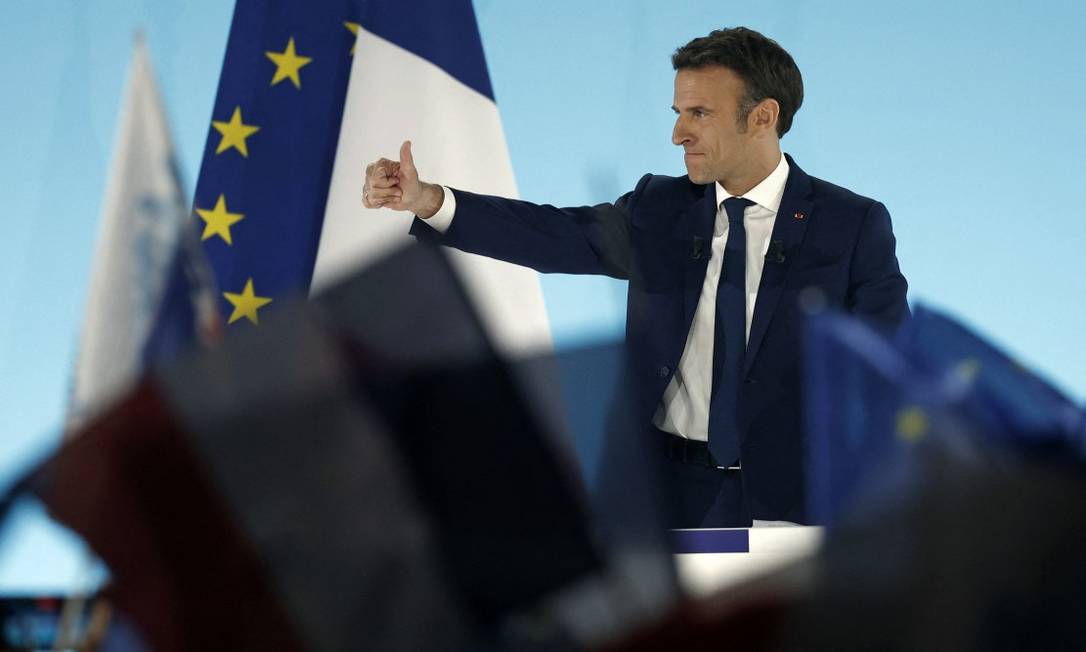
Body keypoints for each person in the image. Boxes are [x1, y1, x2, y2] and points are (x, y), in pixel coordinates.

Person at [360, 27, 909, 527]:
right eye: (677, 111)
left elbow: (890, 365)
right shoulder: (659, 208)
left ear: (763, 116)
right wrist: (430, 200)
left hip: (797, 504)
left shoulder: (850, 225)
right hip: (662, 493)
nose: (677, 133)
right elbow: (550, 235)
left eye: (699, 113)